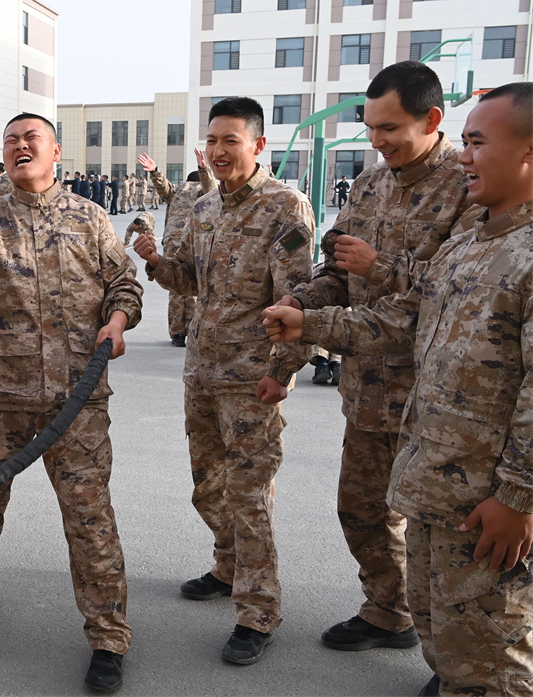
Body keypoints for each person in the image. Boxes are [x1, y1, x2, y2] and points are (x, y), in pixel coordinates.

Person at [263, 82, 533, 697]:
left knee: (491, 642)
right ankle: (405, 626)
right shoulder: (468, 237)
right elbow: (406, 312)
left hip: (485, 472)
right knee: (429, 590)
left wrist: (519, 495)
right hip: (418, 433)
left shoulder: (488, 219)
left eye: (477, 142)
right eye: (371, 127)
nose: (377, 140)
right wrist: (307, 320)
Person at [0, 112, 142, 692]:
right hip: (3, 395)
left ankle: (108, 635)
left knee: (90, 518)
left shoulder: (90, 217)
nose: (20, 146)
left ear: (55, 151)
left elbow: (125, 281)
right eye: (11, 140)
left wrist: (118, 320)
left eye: (31, 138)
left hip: (78, 396)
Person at [282, 61, 474, 653]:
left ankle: (455, 663)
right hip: (367, 390)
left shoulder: (468, 186)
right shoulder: (368, 185)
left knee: (439, 537)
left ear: (431, 119)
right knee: (362, 511)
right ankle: (389, 611)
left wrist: (380, 266)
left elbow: (455, 295)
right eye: (370, 128)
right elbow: (340, 271)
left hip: (434, 402)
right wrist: (301, 300)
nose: (377, 141)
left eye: (389, 128)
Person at [132, 96, 314, 665]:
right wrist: (156, 262)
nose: (218, 151)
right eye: (211, 141)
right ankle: (228, 565)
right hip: (203, 369)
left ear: (257, 145)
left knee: (249, 494)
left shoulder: (285, 207)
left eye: (230, 141)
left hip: (252, 378)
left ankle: (258, 611)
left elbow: (300, 300)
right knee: (207, 485)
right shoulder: (204, 205)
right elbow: (188, 279)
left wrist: (282, 373)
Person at [139, 149, 217, 348]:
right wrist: (205, 169)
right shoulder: (205, 191)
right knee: (194, 285)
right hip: (194, 241)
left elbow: (162, 186)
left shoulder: (176, 190)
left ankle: (177, 333)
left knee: (174, 286)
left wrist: (154, 171)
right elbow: (211, 187)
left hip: (172, 240)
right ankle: (192, 329)